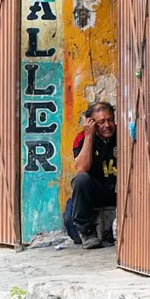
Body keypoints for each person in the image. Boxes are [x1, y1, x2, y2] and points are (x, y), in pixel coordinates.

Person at [64, 101, 117, 249]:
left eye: (110, 120)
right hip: (95, 192)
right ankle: (87, 232)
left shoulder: (122, 134)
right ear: (92, 123)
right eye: (101, 122)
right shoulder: (82, 138)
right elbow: (81, 168)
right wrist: (89, 136)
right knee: (80, 179)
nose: (107, 125)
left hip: (119, 189)